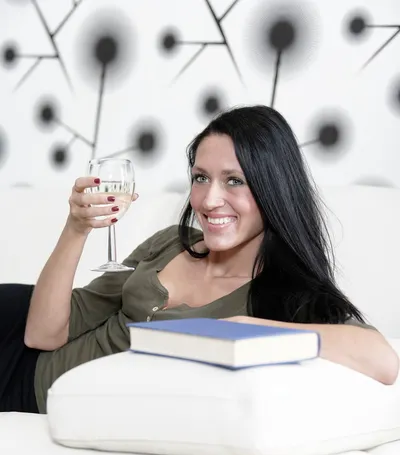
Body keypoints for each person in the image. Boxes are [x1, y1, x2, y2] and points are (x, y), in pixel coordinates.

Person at [0, 105, 398, 414]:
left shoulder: (286, 296)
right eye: (201, 177)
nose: (209, 200)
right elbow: (43, 334)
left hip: (36, 392)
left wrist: (249, 328)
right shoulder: (171, 244)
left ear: (274, 190)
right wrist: (77, 227)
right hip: (14, 332)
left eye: (235, 181)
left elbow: (382, 359)